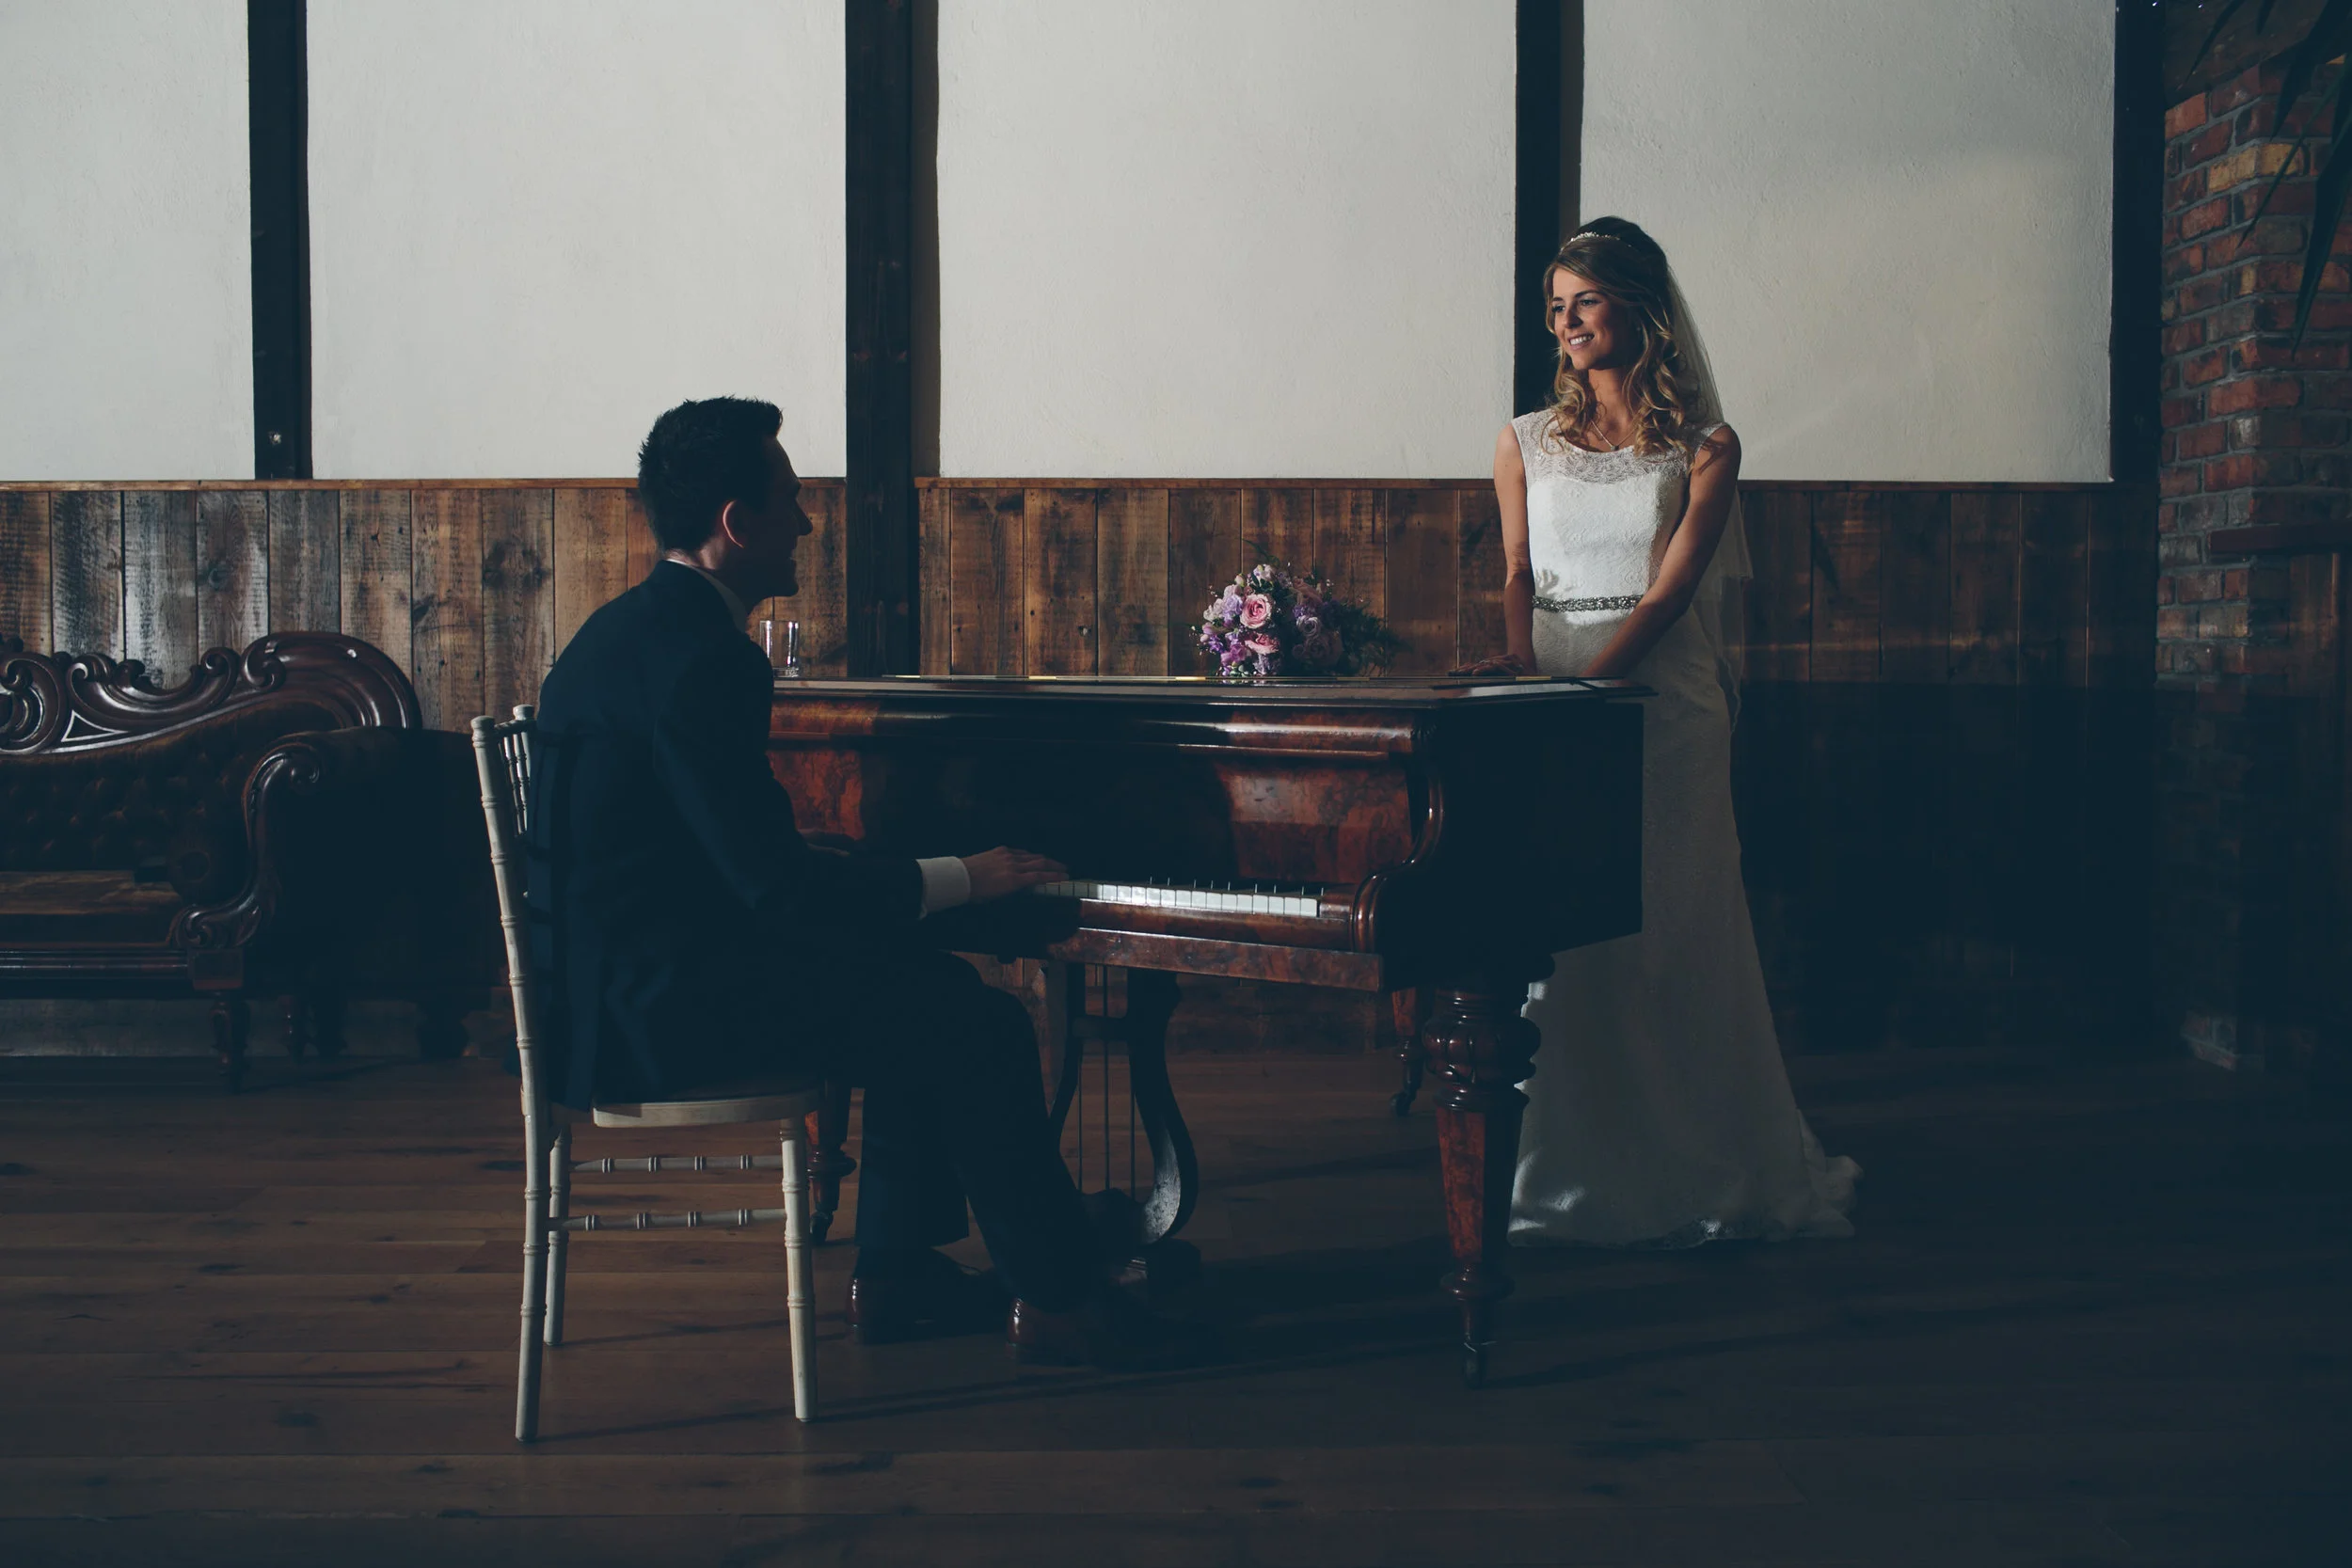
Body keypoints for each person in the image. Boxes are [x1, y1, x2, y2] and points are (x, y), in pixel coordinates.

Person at [529, 396, 1176, 1362]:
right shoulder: (707, 661)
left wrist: (917, 883)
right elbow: (774, 891)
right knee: (981, 1025)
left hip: (605, 991)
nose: (807, 521)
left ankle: (901, 1276)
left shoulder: (620, 633)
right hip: (660, 1017)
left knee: (928, 991)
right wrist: (966, 874)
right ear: (736, 523)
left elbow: (729, 862)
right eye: (790, 501)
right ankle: (1061, 1297)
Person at [1464, 220, 1859, 1247]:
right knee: (1553, 941)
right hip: (1546, 702)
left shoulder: (1706, 447)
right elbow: (1515, 570)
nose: (1565, 322)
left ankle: (1700, 1155)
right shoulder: (1521, 438)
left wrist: (1590, 691)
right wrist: (1528, 676)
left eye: (1583, 300)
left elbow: (1674, 590)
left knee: (1666, 928)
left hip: (1660, 711)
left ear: (1639, 304)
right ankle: (1553, 1165)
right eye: (1554, 306)